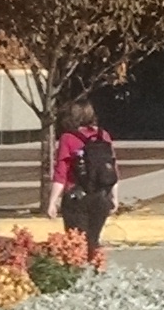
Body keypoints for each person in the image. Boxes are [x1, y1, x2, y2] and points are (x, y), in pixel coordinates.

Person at [49, 98, 116, 248]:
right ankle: (94, 269)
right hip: (101, 196)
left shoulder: (68, 138)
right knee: (93, 241)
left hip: (76, 197)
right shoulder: (103, 135)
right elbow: (112, 167)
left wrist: (52, 201)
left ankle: (79, 270)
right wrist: (114, 197)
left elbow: (61, 173)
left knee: (76, 244)